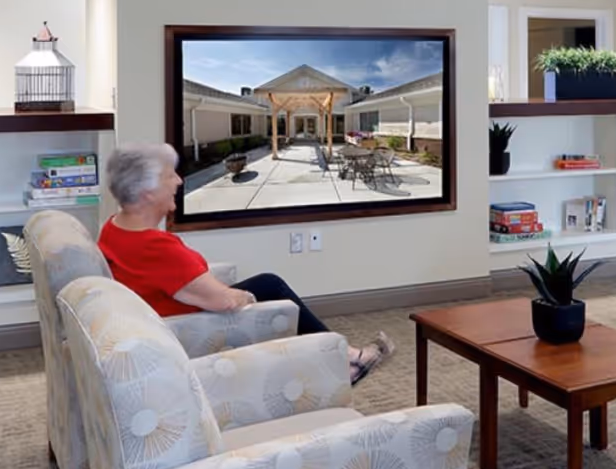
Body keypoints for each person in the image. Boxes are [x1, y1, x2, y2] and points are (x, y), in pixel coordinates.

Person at [97, 142, 394, 384]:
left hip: (171, 313)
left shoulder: (114, 228)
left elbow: (178, 284)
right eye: (169, 175)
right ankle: (349, 361)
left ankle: (345, 355)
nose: (178, 180)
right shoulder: (156, 247)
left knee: (267, 282)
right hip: (190, 329)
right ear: (147, 191)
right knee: (270, 287)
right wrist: (247, 298)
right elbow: (224, 302)